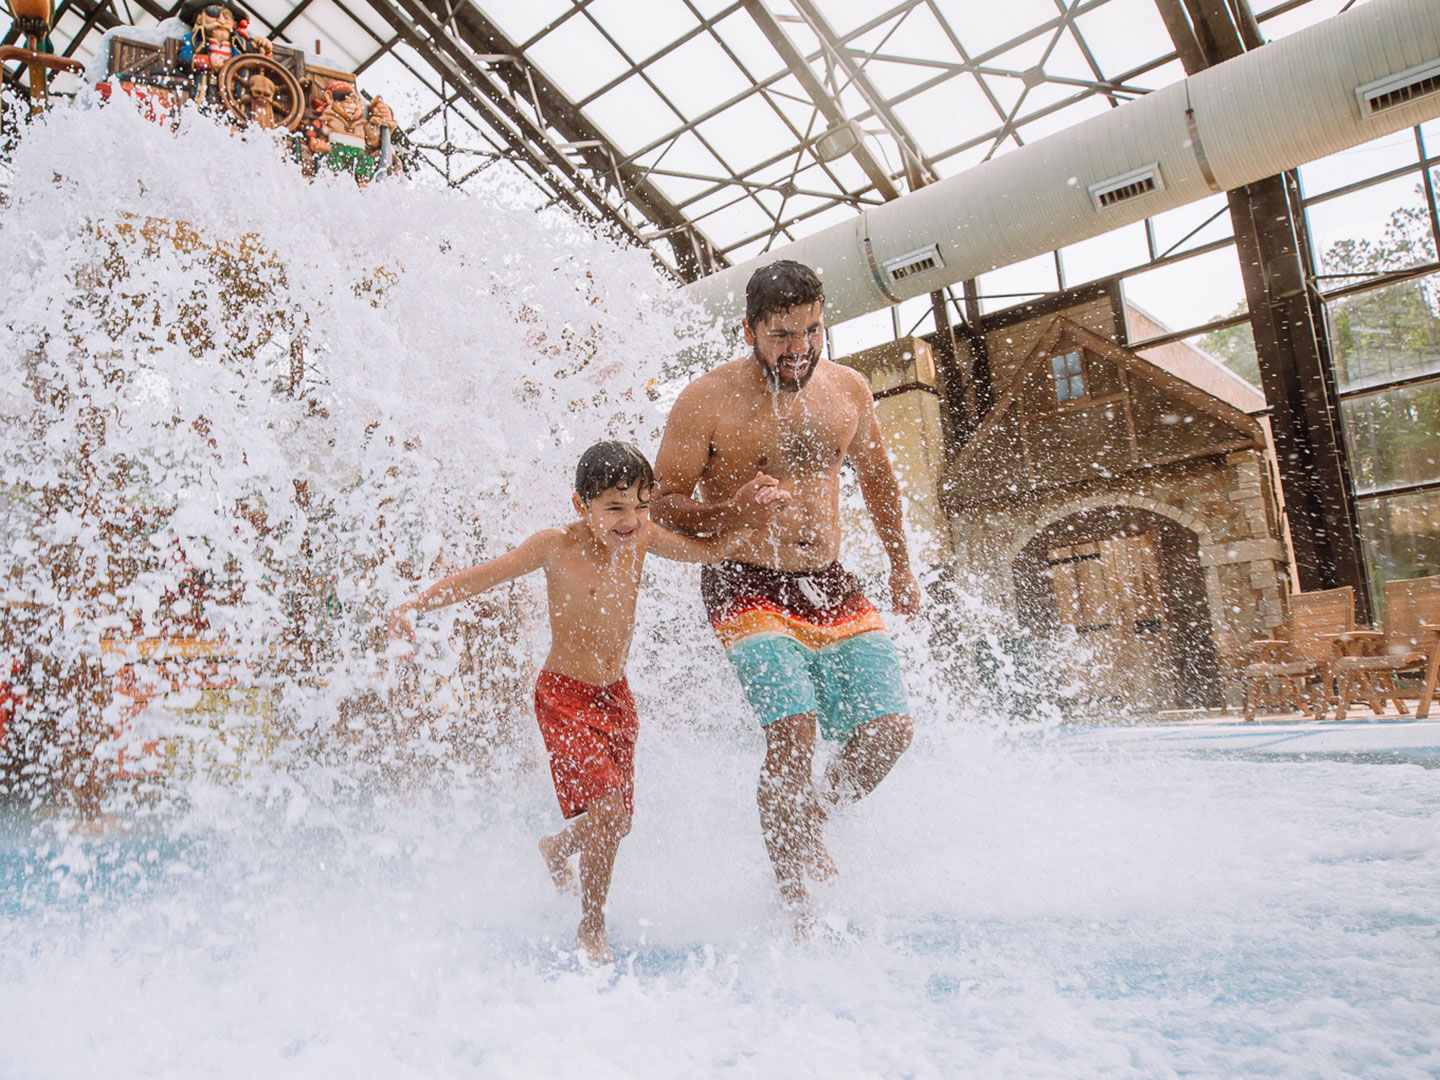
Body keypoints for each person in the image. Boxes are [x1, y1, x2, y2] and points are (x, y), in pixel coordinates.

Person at [388, 441, 744, 964]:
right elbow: (484, 576)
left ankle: (556, 848)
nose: (631, 520)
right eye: (615, 508)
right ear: (582, 505)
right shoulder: (555, 546)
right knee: (605, 812)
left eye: (641, 505)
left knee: (617, 821)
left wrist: (753, 523)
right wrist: (416, 604)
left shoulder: (642, 538)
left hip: (616, 698)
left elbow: (708, 552)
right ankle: (591, 925)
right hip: (565, 697)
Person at [651, 259, 920, 930]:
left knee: (890, 732)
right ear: (749, 331)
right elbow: (662, 504)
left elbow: (880, 482)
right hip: (743, 579)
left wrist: (901, 565)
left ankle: (810, 820)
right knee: (794, 731)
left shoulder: (848, 390)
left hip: (828, 580)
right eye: (781, 335)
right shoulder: (705, 400)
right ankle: (796, 903)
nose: (798, 349)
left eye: (810, 331)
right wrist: (734, 510)